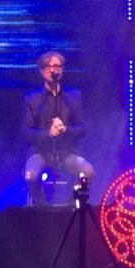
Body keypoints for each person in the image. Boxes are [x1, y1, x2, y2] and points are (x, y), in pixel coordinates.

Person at [20, 51, 94, 205]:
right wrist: (48, 134)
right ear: (41, 71)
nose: (53, 70)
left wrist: (65, 130)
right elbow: (26, 132)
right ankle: (43, 209)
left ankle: (69, 207)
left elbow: (82, 129)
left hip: (66, 154)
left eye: (57, 66)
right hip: (40, 153)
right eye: (48, 67)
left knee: (88, 172)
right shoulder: (32, 98)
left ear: (62, 70)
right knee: (30, 176)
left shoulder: (73, 96)